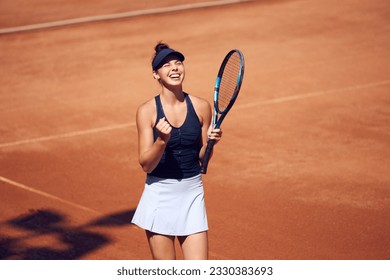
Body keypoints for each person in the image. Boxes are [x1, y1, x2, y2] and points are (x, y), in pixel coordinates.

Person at [131, 42, 222, 260]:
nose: (174, 68)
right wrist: (161, 141)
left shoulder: (201, 107)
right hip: (160, 196)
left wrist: (211, 145)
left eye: (178, 63)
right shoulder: (147, 111)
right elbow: (146, 164)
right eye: (166, 65)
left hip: (192, 194)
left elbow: (202, 159)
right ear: (156, 75)